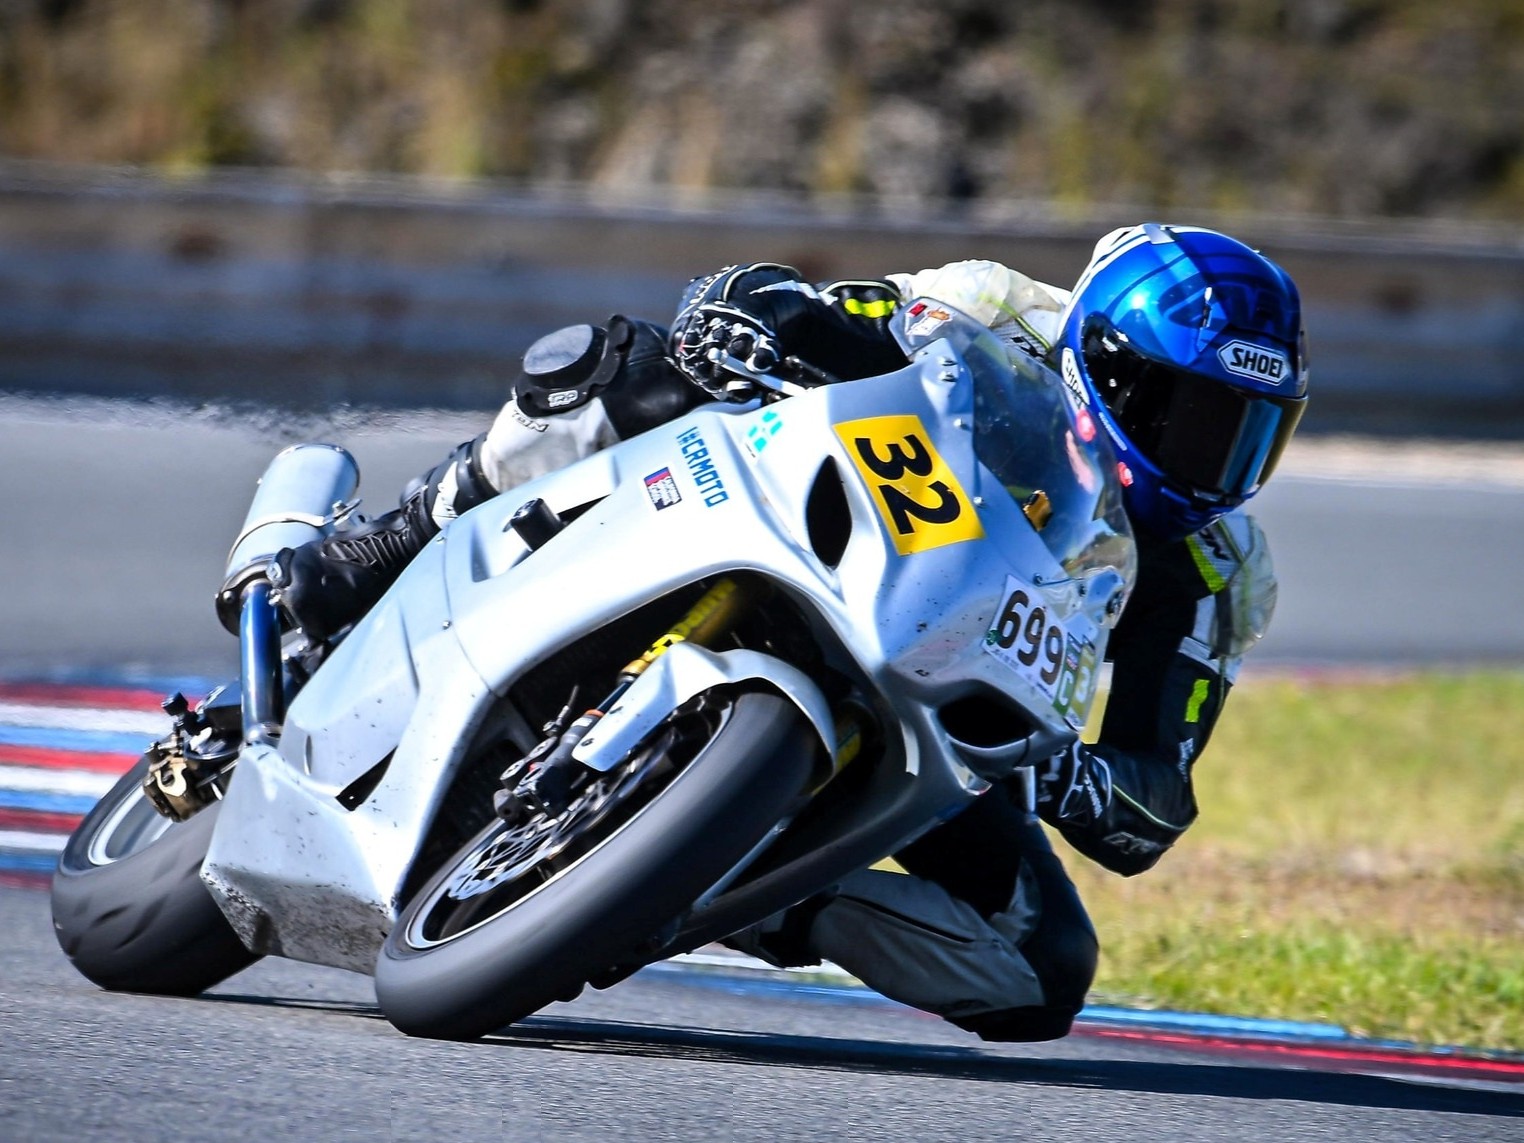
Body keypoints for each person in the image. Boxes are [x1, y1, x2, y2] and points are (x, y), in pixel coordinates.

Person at [235, 222, 1309, 1043]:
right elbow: (818, 314)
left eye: (1250, 434)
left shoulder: (1219, 572)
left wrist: (1073, 778)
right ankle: (386, 542)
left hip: (945, 698)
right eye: (1192, 416)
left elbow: (1155, 799)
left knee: (1043, 971)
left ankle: (723, 892)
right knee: (620, 368)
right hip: (817, 517)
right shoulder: (992, 307)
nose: (1216, 460)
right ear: (1109, 365)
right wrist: (751, 315)